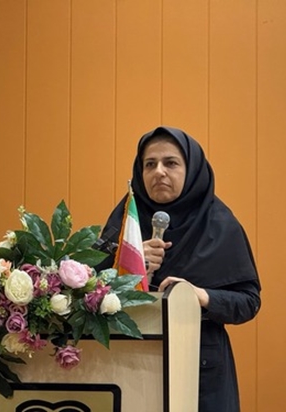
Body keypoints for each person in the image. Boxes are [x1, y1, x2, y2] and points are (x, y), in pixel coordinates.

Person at [99, 126, 261, 412]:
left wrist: (201, 296)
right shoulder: (126, 221)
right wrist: (129, 263)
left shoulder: (220, 224)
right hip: (128, 364)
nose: (159, 172)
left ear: (192, 170)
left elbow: (248, 302)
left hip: (201, 367)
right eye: (150, 164)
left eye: (171, 163)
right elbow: (90, 289)